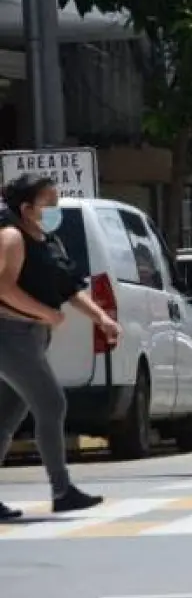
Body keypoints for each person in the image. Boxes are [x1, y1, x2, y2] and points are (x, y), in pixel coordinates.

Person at [0, 174, 117, 519]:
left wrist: (101, 318)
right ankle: (62, 490)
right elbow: (4, 289)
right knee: (51, 403)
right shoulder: (12, 237)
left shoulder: (47, 240)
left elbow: (69, 287)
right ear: (26, 208)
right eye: (48, 203)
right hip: (9, 335)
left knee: (7, 417)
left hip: (31, 337)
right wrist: (46, 313)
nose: (55, 209)